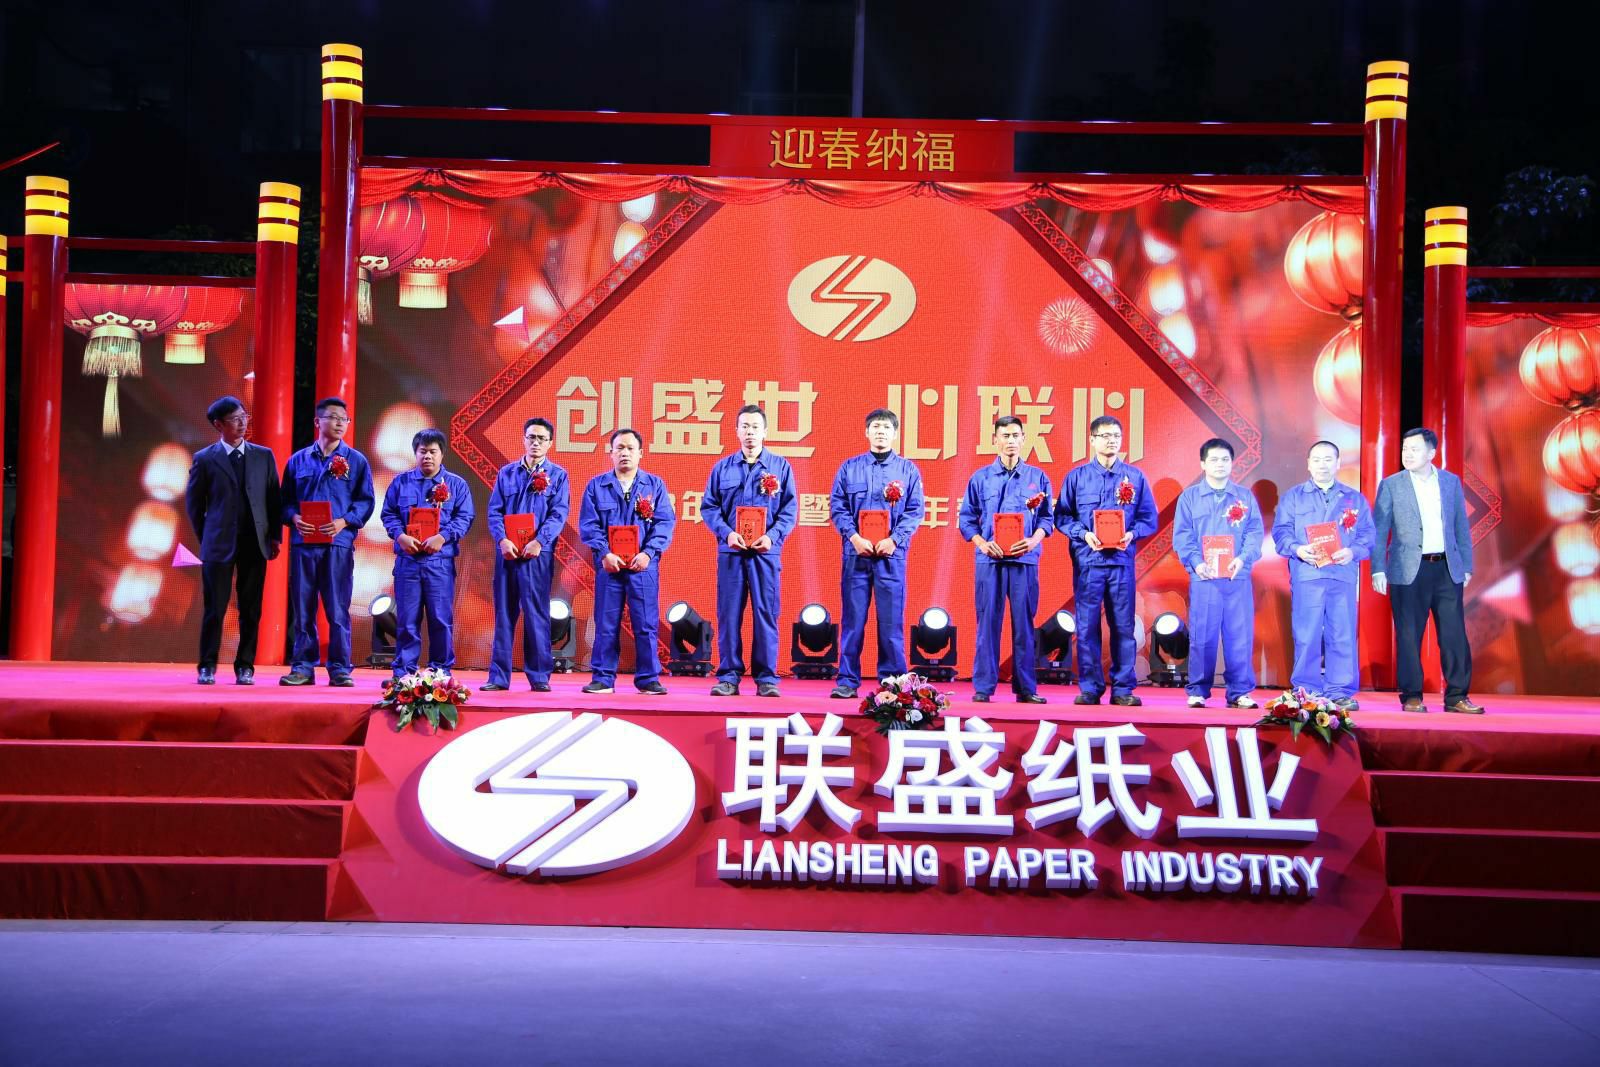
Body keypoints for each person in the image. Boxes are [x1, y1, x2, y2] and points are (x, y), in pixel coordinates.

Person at [1373, 427, 1483, 714]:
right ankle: (1412, 696)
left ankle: (1457, 696)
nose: (1407, 454)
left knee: (1454, 634)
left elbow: (1460, 526)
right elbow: (1379, 531)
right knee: (1409, 634)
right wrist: (1378, 570)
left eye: (1415, 449)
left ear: (1431, 453)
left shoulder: (1449, 482)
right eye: (1405, 449)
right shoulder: (1391, 484)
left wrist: (1466, 565)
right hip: (1408, 570)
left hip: (1447, 568)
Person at [1055, 415, 1159, 706]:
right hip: (1088, 563)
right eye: (1105, 436)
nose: (1111, 440)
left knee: (1123, 627)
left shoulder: (1135, 478)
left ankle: (1123, 689)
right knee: (1087, 627)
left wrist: (1132, 533)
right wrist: (1083, 534)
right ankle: (1090, 688)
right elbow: (1062, 517)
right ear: (1092, 440)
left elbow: (1149, 518)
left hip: (1121, 563)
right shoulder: (1076, 477)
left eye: (1116, 436)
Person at [828, 408, 925, 700]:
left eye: (886, 427)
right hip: (856, 554)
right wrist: (853, 537)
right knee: (853, 621)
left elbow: (914, 511)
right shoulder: (849, 468)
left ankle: (893, 684)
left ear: (895, 434)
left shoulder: (908, 471)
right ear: (866, 432)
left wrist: (895, 540)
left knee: (891, 624)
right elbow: (838, 507)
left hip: (890, 557)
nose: (880, 431)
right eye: (875, 427)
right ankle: (847, 681)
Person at [278, 397, 375, 687]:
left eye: (344, 419)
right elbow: (284, 502)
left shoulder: (356, 461)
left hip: (337, 545)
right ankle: (303, 667)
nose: (339, 423)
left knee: (337, 608)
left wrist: (344, 521)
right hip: (304, 544)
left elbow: (365, 502)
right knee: (303, 608)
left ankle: (340, 668)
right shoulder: (297, 460)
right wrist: (294, 518)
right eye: (333, 417)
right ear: (317, 422)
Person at [185, 395, 281, 685]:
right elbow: (194, 505)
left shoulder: (263, 456)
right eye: (235, 419)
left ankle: (245, 666)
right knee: (215, 608)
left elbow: (274, 499)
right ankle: (207, 666)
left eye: (244, 416)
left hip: (255, 542)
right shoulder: (205, 459)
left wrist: (275, 536)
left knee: (250, 609)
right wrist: (207, 537)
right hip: (218, 543)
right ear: (219, 425)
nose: (242, 423)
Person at [1271, 440, 1375, 711]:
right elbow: (1281, 532)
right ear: (1308, 464)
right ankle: (1306, 690)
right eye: (1316, 459)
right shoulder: (1294, 497)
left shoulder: (1354, 499)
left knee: (1342, 633)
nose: (1322, 465)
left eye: (1328, 459)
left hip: (1342, 575)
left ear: (1338, 463)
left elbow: (1368, 535)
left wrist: (1352, 551)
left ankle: (1340, 690)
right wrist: (1298, 549)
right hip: (1308, 575)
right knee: (1307, 634)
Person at [702, 405, 797, 697]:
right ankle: (729, 676)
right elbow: (709, 507)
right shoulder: (722, 468)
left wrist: (772, 537)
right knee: (729, 615)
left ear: (765, 431)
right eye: (744, 426)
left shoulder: (780, 467)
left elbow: (789, 510)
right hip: (731, 552)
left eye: (755, 427)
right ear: (736, 431)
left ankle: (766, 678)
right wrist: (727, 533)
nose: (750, 432)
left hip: (765, 553)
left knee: (766, 613)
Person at [957, 416, 1054, 704]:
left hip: (1025, 560)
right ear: (995, 440)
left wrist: (1034, 540)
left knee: (1024, 625)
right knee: (987, 623)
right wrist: (982, 543)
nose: (1011, 441)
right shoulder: (980, 478)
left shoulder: (1038, 478)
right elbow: (966, 520)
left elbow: (1047, 519)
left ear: (1024, 439)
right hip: (990, 561)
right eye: (1005, 436)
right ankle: (984, 687)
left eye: (1015, 435)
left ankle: (1026, 688)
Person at [577, 428, 676, 695]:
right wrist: (604, 553)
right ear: (610, 453)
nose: (625, 453)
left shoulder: (654, 485)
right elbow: (589, 524)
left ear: (641, 453)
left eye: (631, 448)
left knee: (645, 623)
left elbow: (664, 523)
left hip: (643, 566)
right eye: (619, 448)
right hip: (610, 566)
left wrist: (648, 553)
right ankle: (603, 677)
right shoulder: (597, 486)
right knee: (606, 622)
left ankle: (648, 678)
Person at [1170, 438, 1263, 709]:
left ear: (1232, 463)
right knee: (1203, 636)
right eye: (1214, 460)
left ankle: (1240, 692)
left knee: (1239, 637)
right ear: (1203, 464)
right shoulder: (1190, 498)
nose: (1220, 464)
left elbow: (1254, 533)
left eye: (1225, 459)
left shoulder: (1244, 497)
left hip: (1236, 578)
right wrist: (1196, 563)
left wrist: (1243, 558)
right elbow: (1183, 536)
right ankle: (1198, 690)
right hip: (1205, 578)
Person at [379, 429, 475, 680]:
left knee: (440, 619)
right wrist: (400, 536)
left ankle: (440, 671)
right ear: (415, 453)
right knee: (407, 620)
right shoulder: (400, 482)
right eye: (423, 451)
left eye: (433, 451)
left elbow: (465, 517)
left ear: (442, 454)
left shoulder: (456, 485)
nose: (428, 456)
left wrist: (442, 537)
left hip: (439, 563)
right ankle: (404, 673)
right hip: (408, 562)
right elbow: (388, 514)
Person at [483, 417, 569, 693]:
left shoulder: (558, 476)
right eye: (531, 437)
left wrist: (540, 541)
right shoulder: (506, 473)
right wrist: (502, 539)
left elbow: (558, 514)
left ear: (550, 443)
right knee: (504, 613)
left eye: (541, 438)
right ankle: (498, 677)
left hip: (537, 555)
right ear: (524, 439)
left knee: (536, 613)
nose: (536, 443)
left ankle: (539, 675)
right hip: (508, 552)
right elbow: (494, 511)